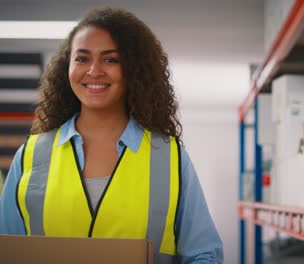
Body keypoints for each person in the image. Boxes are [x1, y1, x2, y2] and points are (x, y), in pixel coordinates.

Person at [0, 7, 223, 263]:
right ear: (67, 66)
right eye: (82, 58)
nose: (94, 71)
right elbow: (7, 249)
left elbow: (204, 254)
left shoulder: (169, 158)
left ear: (134, 69)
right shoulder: (31, 155)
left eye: (111, 59)